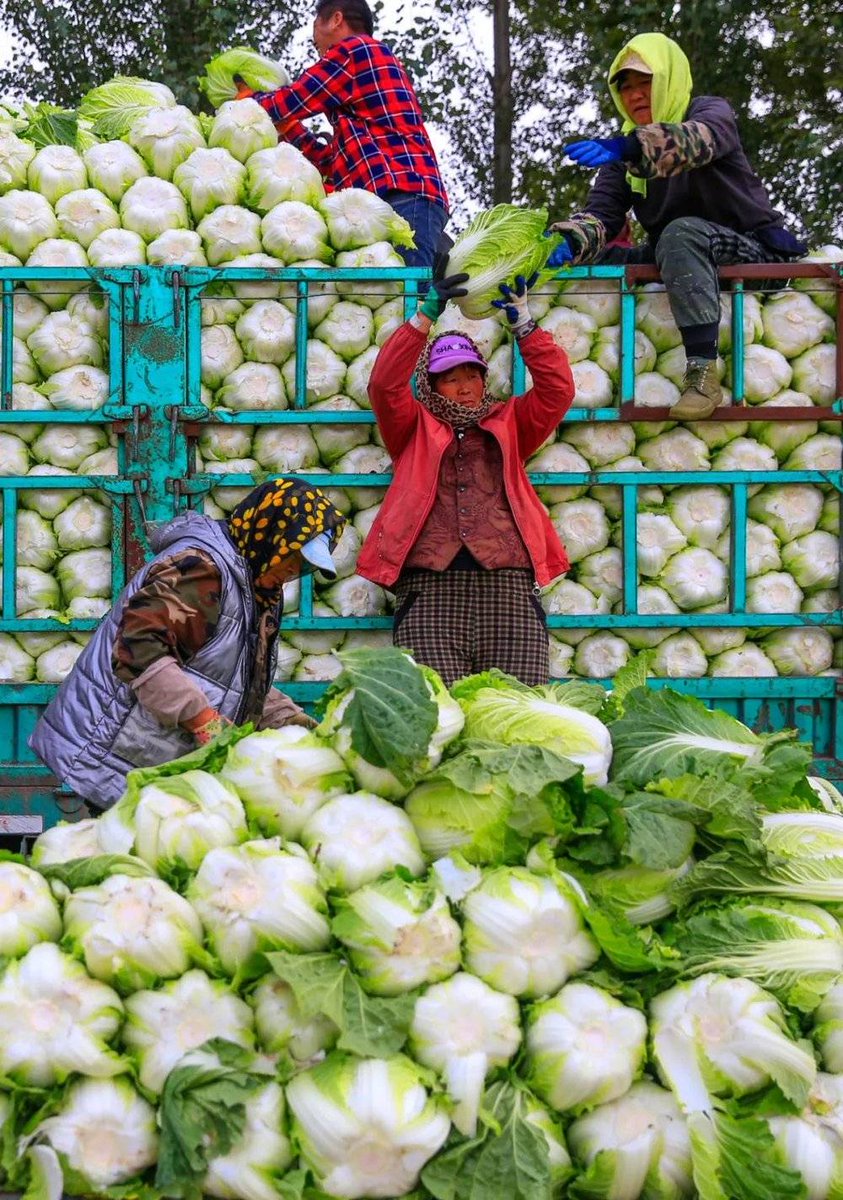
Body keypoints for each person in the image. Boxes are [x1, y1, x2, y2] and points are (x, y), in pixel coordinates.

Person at [29, 479, 347, 808]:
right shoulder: (200, 570)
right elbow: (139, 652)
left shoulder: (254, 583)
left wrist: (292, 722)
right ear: (271, 536)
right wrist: (202, 719)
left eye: (306, 565)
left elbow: (236, 678)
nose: (296, 570)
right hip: (115, 747)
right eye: (293, 556)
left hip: (150, 749)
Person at [547, 32, 807, 419]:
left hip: (749, 255)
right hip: (679, 259)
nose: (635, 96)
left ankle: (702, 375)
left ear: (669, 77)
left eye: (645, 83)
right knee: (612, 253)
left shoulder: (708, 114)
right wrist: (566, 241)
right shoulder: (621, 156)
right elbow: (602, 216)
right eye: (627, 88)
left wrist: (631, 147)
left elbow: (695, 142)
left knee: (680, 232)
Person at [356, 272, 576, 686]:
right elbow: (384, 384)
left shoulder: (510, 421)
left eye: (471, 375)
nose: (464, 387)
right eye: (450, 378)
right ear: (431, 385)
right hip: (430, 594)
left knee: (518, 712)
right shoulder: (410, 428)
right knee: (437, 717)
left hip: (508, 589)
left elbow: (558, 391)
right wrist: (424, 318)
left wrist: (525, 327)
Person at [237, 0, 449, 270]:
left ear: (335, 20)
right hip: (397, 198)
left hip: (404, 195)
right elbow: (331, 164)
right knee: (395, 300)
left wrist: (249, 103)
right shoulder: (358, 112)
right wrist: (290, 131)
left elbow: (295, 99)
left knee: (407, 300)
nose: (318, 50)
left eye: (316, 27)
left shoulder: (356, 50)